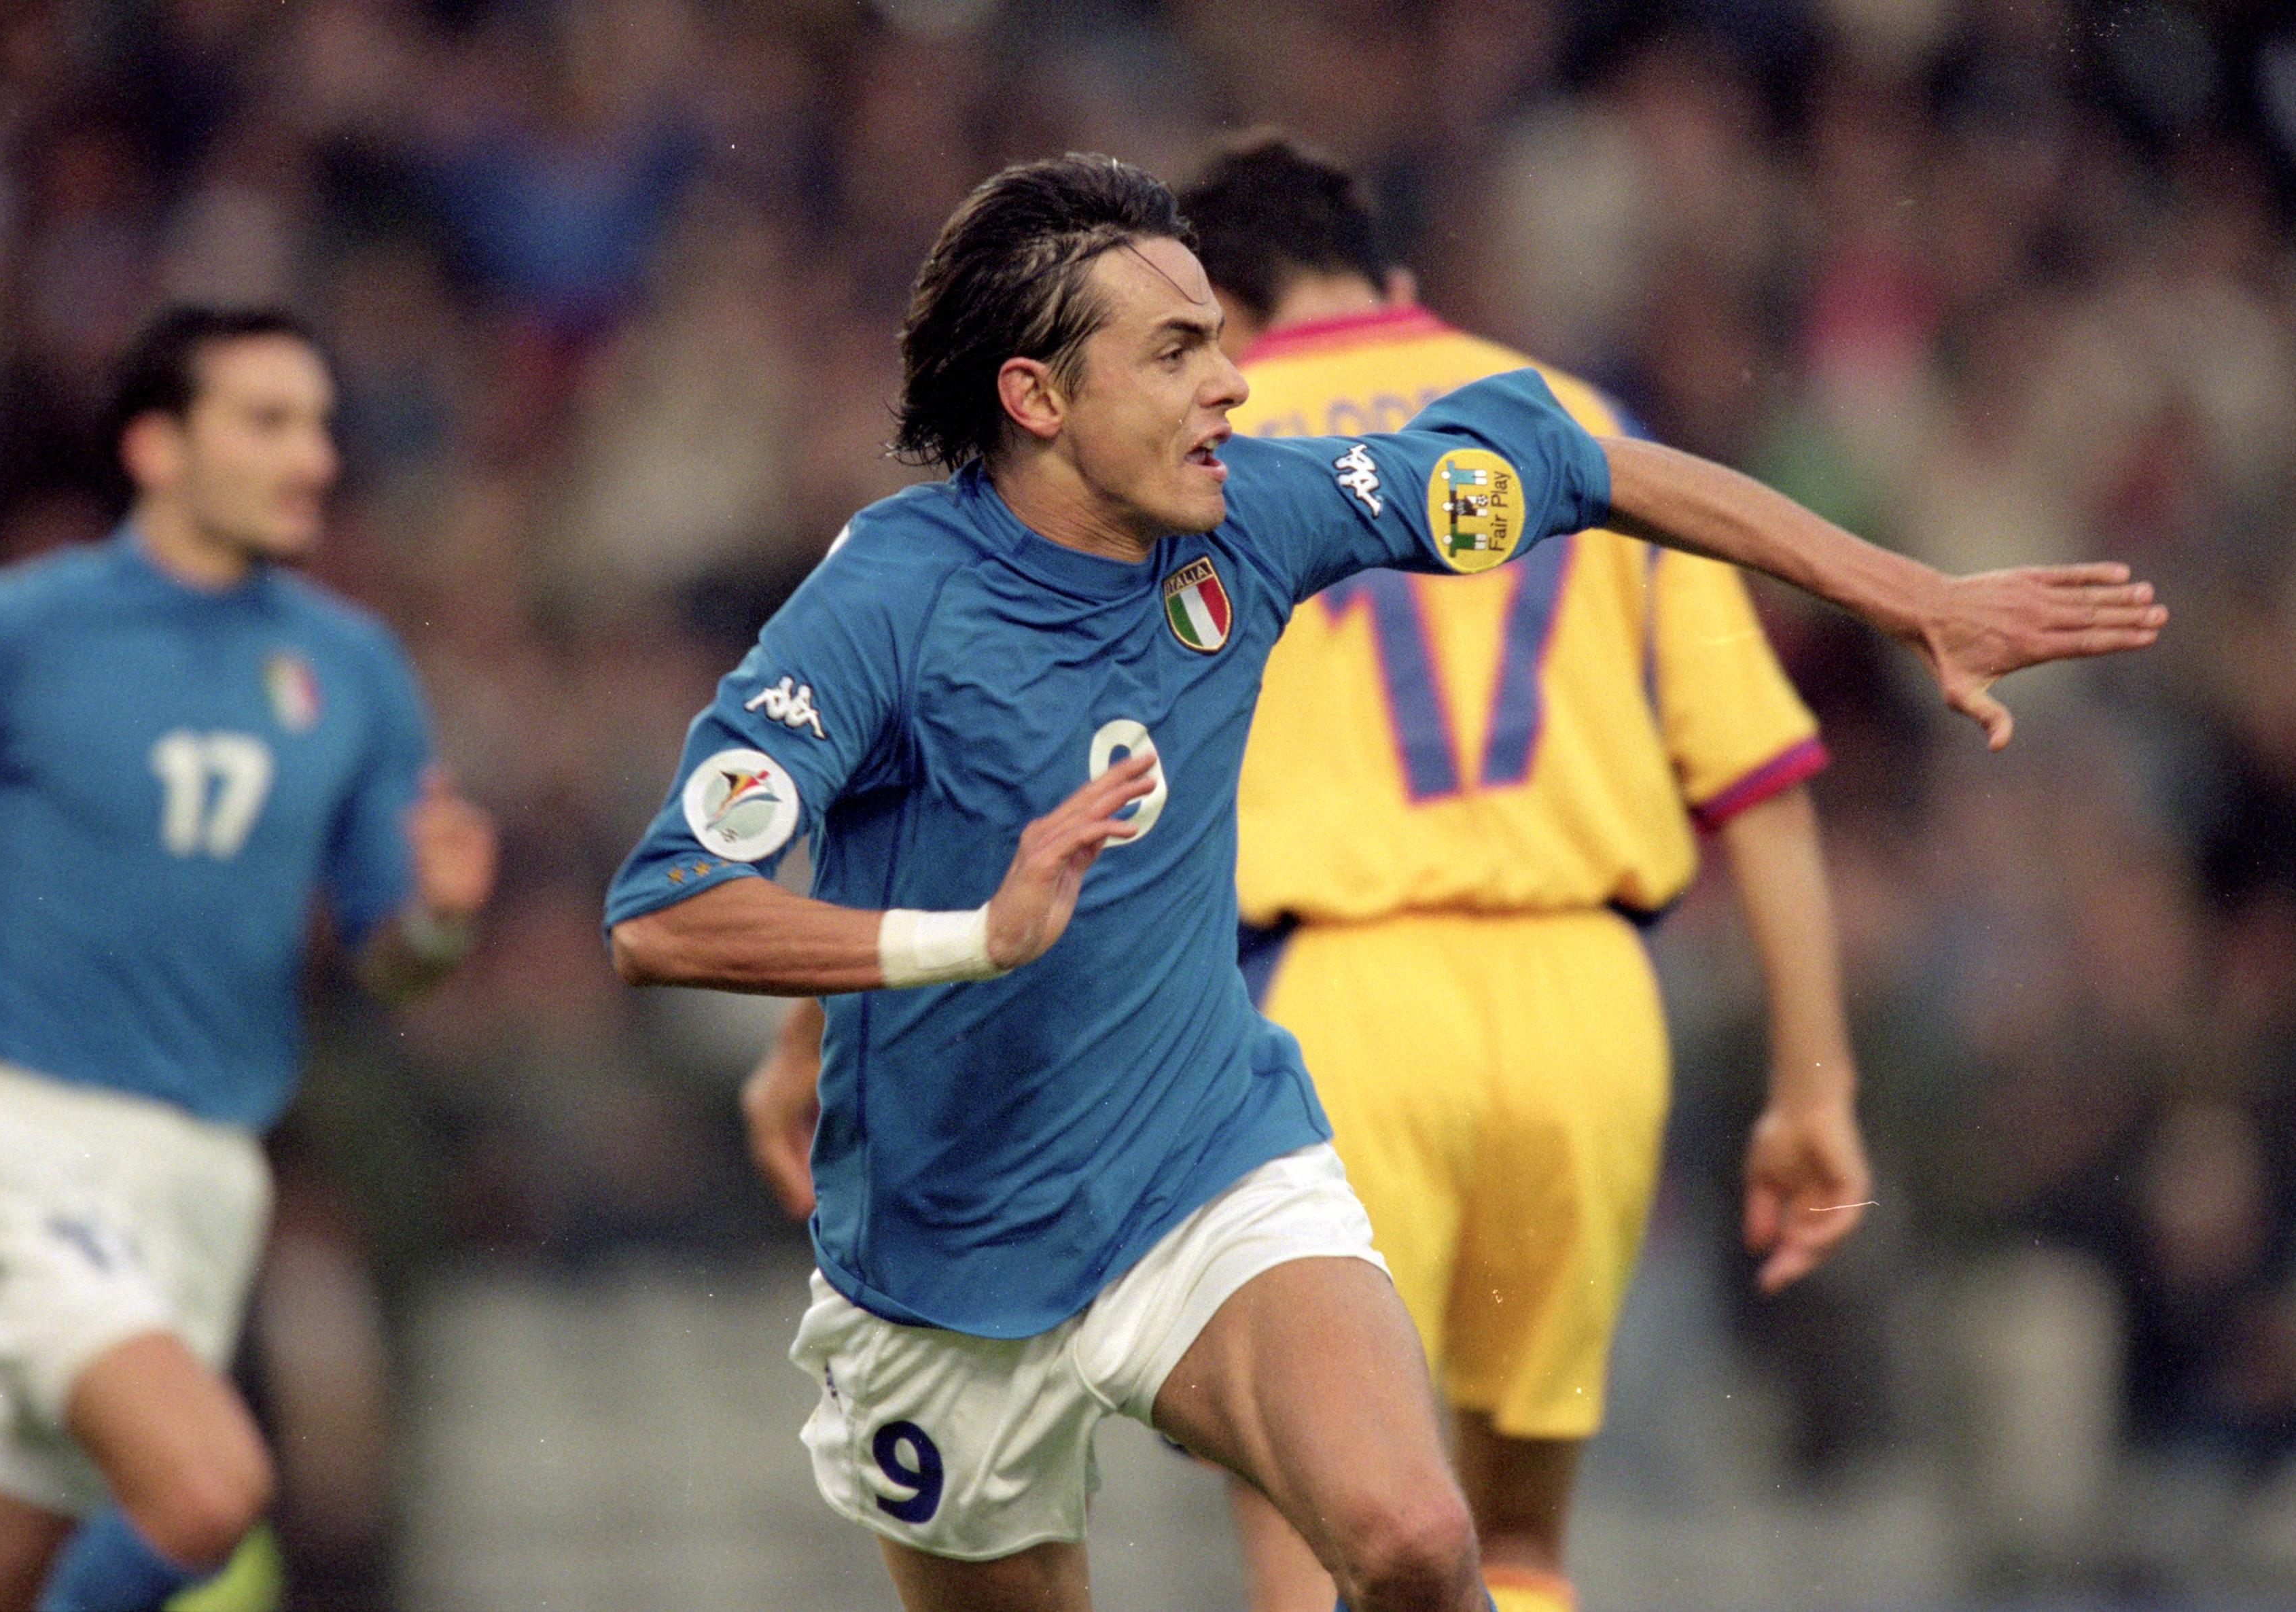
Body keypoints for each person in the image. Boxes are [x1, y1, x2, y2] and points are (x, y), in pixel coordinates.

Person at [622, 153, 2159, 1612]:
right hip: (944, 1250)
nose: (1230, 381)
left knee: (1421, 1541)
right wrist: (966, 941)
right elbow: (667, 910)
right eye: (1174, 354)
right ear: (1036, 396)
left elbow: (1585, 468)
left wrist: (1917, 598)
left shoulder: (1264, 516)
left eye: (1219, 342)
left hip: (1201, 1166)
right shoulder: (886, 598)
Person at [1168, 135, 1871, 1612]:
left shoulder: (1203, 456)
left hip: (1332, 1006)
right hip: (1590, 1009)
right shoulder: (1585, 423)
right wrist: (1813, 1089)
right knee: (1522, 1544)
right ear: (1397, 283)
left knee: (1317, 1536)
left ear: (1213, 313)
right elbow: (1763, 786)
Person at [0, 306, 497, 1612]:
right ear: (157, 446)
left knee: (25, 1557)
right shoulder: (5, 631)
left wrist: (436, 920)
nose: (314, 458)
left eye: (321, 424)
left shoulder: (351, 666)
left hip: (209, 1179)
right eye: (268, 422)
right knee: (210, 1492)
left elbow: (392, 971)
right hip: (18, 1138)